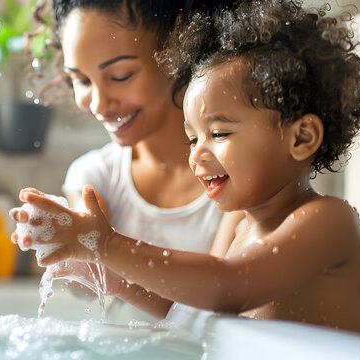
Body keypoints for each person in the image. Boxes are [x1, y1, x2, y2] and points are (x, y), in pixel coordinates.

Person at [11, 0, 360, 333]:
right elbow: (199, 311)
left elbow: (228, 286)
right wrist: (117, 279)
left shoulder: (327, 220)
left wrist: (106, 244)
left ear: (302, 137)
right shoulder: (245, 224)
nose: (197, 155)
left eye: (218, 133)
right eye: (193, 139)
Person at [13, 0, 243, 319]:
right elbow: (87, 281)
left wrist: (104, 249)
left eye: (120, 75)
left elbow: (219, 302)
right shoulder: (94, 176)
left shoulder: (241, 177)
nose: (98, 103)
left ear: (177, 46)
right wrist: (67, 241)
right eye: (81, 80)